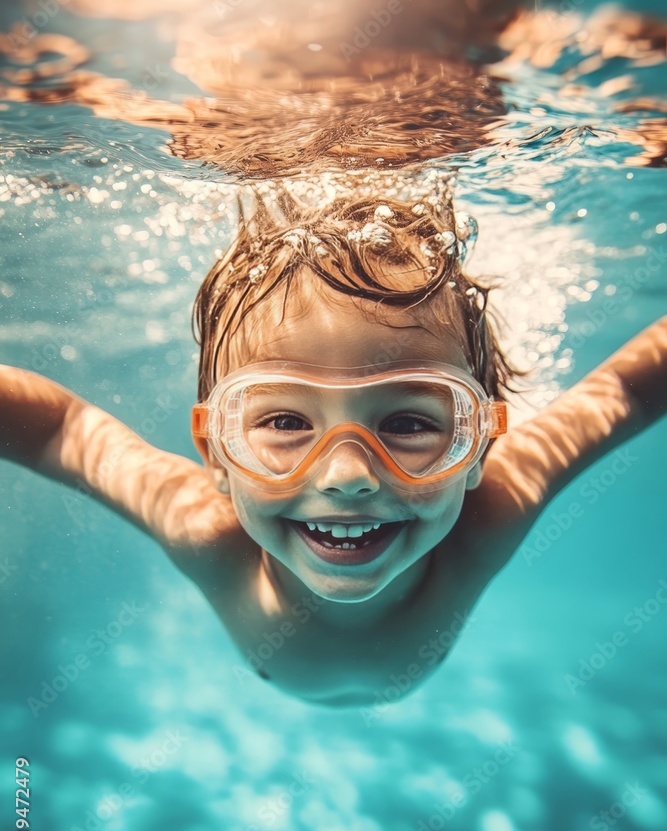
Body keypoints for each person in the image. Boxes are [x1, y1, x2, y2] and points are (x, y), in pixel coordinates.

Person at [1, 189, 665, 707]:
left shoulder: (494, 508)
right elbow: (67, 433)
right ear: (216, 452)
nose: (348, 474)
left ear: (479, 445)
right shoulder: (203, 529)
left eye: (407, 425)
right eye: (286, 423)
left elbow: (627, 394)